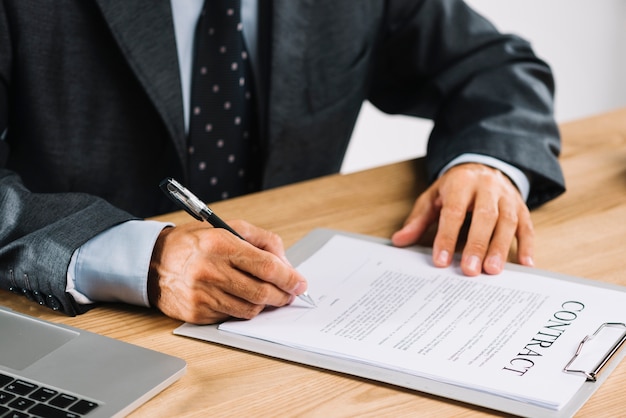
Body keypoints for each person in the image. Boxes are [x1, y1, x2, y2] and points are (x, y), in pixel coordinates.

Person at [0, 0, 565, 325]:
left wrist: (484, 164)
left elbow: (495, 67)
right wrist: (138, 258)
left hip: (283, 335)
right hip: (77, 329)